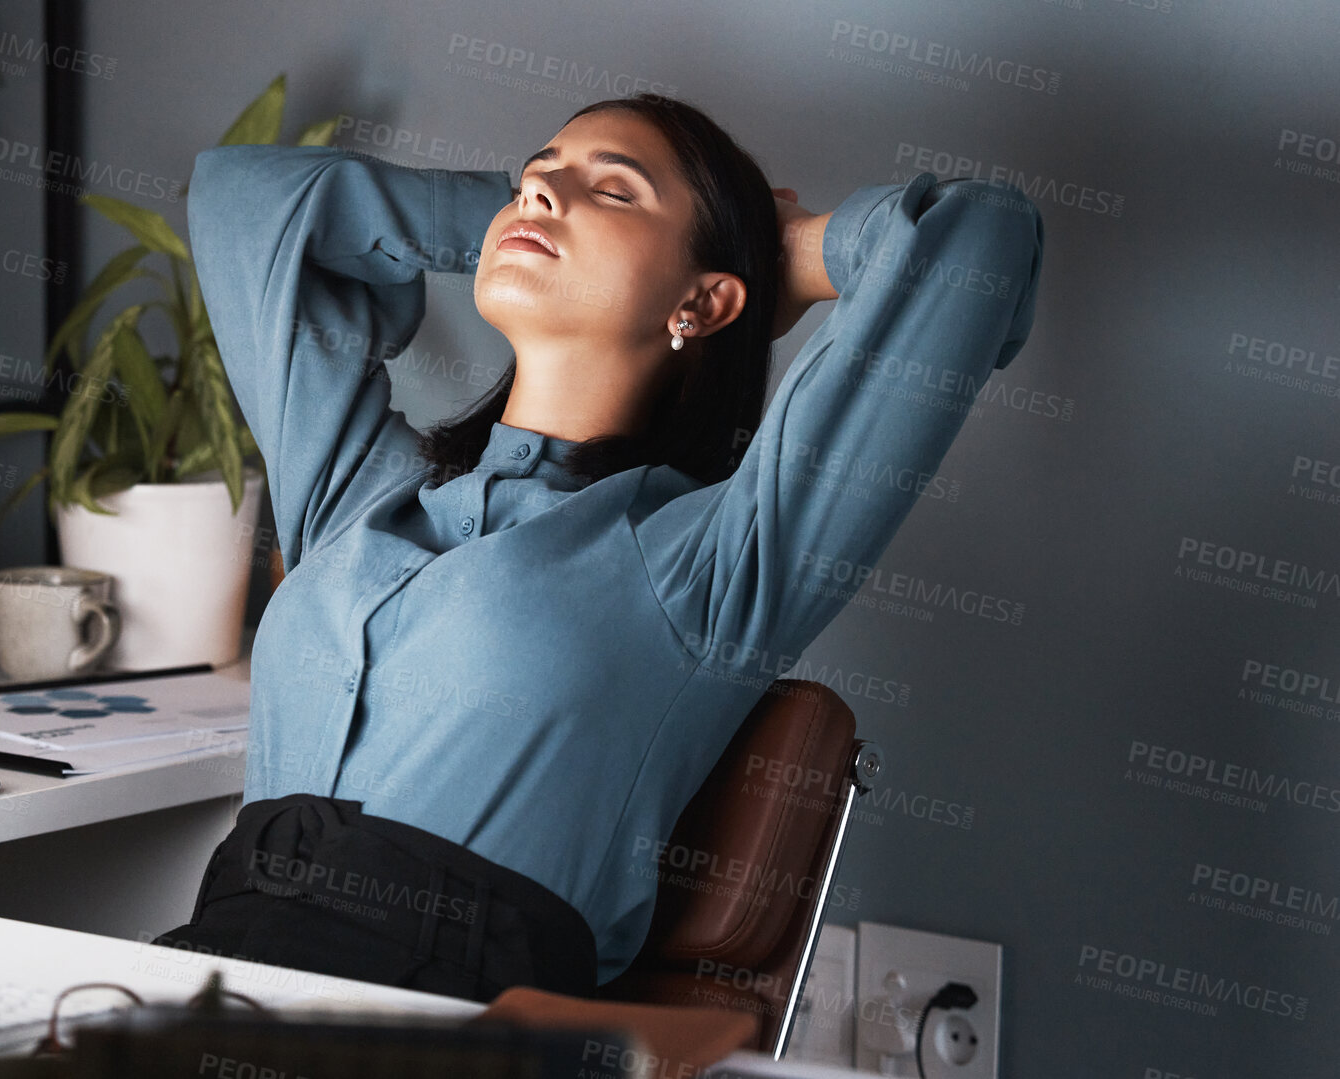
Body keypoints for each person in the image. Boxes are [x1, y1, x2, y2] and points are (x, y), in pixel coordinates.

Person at [151, 91, 1044, 1004]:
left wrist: (780, 252)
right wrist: (514, 222)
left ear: (702, 301)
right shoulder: (362, 499)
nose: (541, 189)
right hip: (198, 990)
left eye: (614, 191)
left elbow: (980, 239)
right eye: (537, 172)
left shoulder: (703, 560)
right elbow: (239, 198)